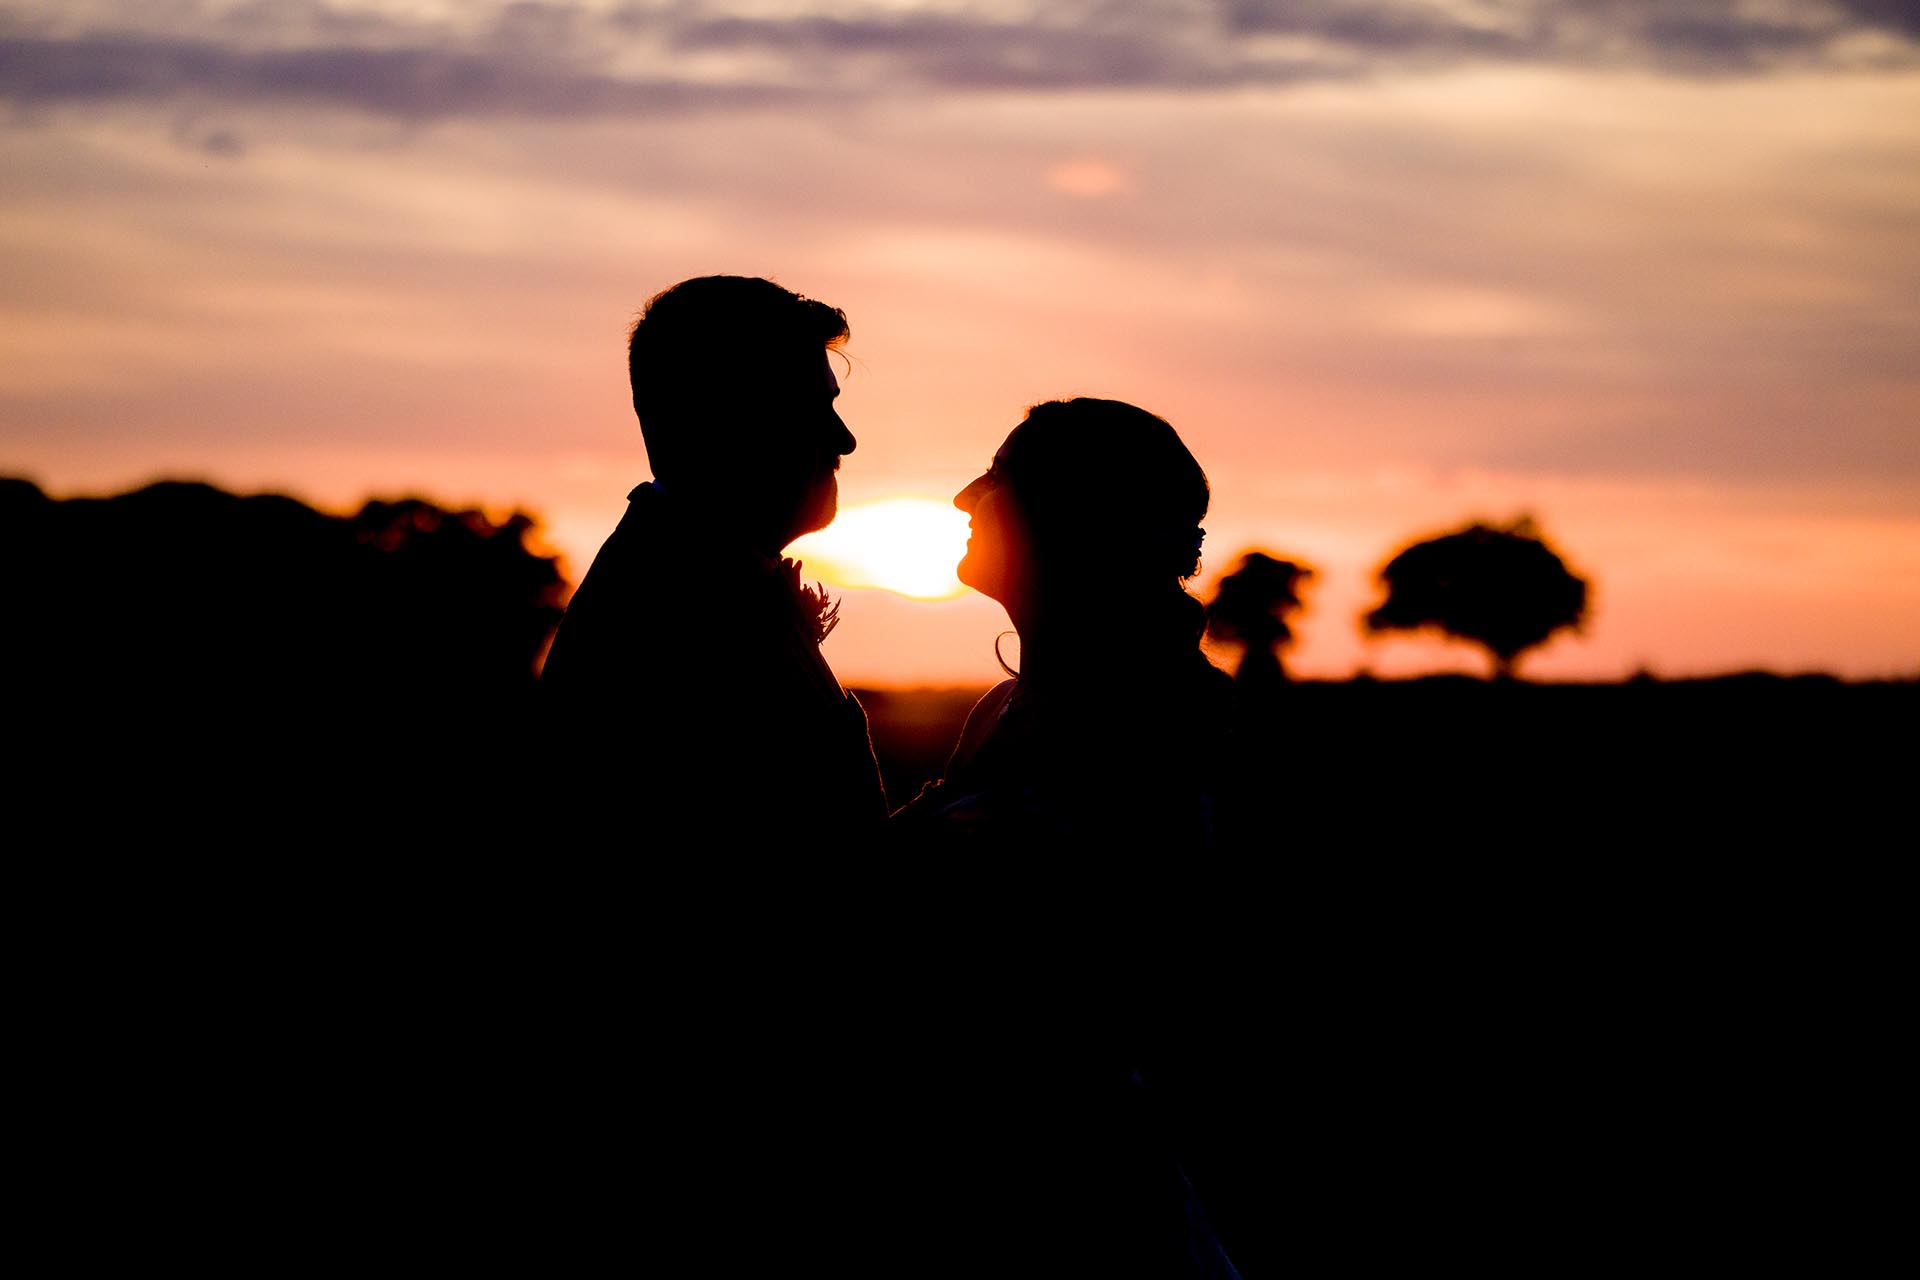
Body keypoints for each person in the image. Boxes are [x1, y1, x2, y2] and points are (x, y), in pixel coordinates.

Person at [887, 398, 1245, 1278]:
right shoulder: (1015, 705)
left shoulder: (1170, 726)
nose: (969, 497)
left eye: (1001, 480)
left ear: (1074, 522)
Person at [541, 274, 887, 838]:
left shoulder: (700, 576)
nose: (843, 439)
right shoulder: (669, 619)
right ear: (729, 418)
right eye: (813, 407)